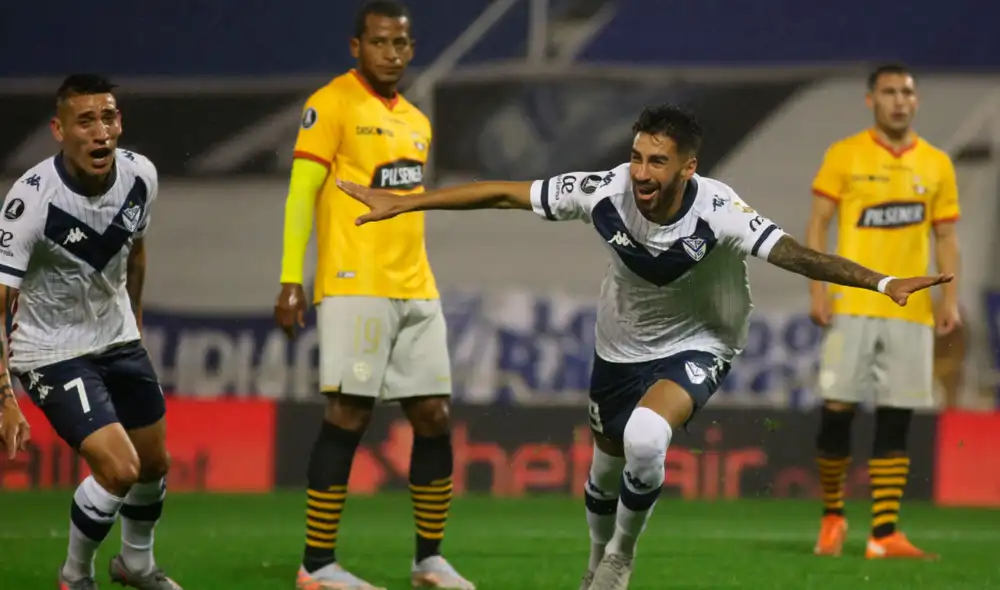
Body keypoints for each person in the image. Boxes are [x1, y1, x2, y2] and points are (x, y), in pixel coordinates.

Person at [335, 103, 951, 590]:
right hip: (619, 347)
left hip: (702, 340)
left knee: (647, 438)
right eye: (636, 156)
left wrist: (883, 283)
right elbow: (503, 193)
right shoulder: (602, 191)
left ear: (688, 167)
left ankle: (621, 559)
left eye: (657, 161)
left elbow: (795, 253)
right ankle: (596, 560)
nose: (641, 172)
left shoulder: (720, 208)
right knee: (604, 472)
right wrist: (406, 202)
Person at [272, 2, 474, 589]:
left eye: (400, 43)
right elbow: (300, 194)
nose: (391, 53)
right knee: (349, 413)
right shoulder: (330, 103)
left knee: (434, 416)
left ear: (412, 49)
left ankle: (429, 560)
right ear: (356, 47)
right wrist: (290, 279)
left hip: (417, 286)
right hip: (354, 285)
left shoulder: (416, 120)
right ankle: (316, 565)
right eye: (380, 42)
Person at [0, 74, 179, 590]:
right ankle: (75, 575)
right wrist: (5, 399)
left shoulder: (140, 175)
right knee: (120, 469)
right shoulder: (31, 202)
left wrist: (135, 323)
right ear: (59, 131)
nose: (101, 132)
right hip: (51, 351)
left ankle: (136, 564)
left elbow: (136, 251)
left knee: (154, 463)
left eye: (109, 117)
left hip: (117, 339)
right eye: (85, 121)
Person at [807, 63, 960, 560]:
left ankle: (884, 532)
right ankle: (833, 517)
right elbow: (818, 223)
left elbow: (946, 236)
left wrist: (949, 298)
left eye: (907, 92)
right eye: (889, 92)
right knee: (837, 409)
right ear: (870, 100)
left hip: (911, 312)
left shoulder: (936, 163)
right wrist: (817, 288)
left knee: (897, 416)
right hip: (852, 304)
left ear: (916, 100)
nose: (899, 100)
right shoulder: (845, 154)